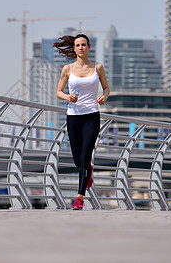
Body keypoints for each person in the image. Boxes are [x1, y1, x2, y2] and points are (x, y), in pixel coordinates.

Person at [54, 34, 109, 210]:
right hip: (73, 116)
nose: (81, 48)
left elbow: (106, 88)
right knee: (78, 159)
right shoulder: (67, 69)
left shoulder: (97, 68)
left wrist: (104, 97)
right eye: (78, 45)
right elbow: (58, 92)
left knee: (85, 156)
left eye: (84, 45)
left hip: (92, 116)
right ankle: (88, 172)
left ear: (89, 47)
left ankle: (79, 197)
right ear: (74, 48)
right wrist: (67, 97)